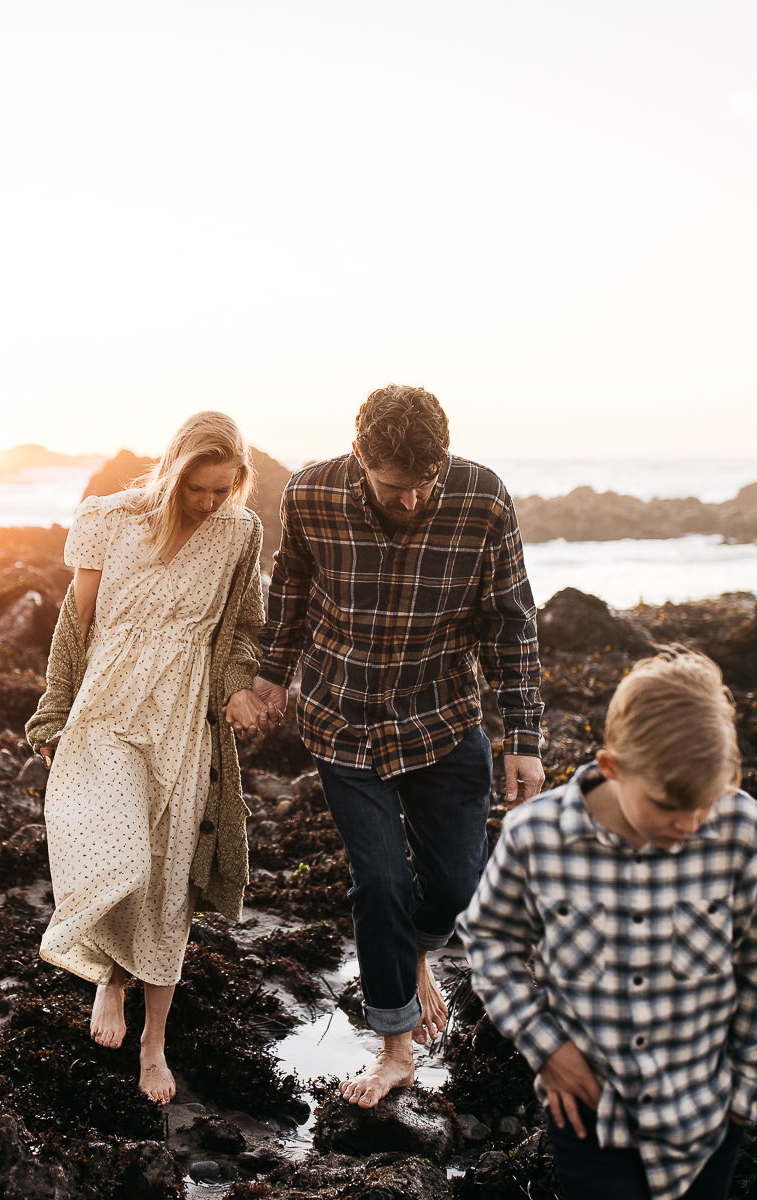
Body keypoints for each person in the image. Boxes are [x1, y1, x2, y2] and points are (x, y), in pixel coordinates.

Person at [250, 383, 545, 1107]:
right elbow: (289, 586)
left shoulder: (481, 497)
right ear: (358, 457)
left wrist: (523, 737)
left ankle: (413, 954)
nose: (412, 500)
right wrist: (269, 678)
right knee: (377, 882)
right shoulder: (311, 493)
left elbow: (511, 621)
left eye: (424, 484)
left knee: (453, 888)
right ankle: (393, 1049)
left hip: (442, 720)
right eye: (394, 486)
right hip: (342, 720)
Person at [458, 648, 757, 1200]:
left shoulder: (745, 829)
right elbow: (489, 943)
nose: (689, 825)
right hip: (588, 1114)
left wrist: (746, 1090)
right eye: (667, 806)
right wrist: (547, 1048)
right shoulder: (536, 835)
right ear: (611, 767)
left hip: (706, 1113)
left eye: (704, 805)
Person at [25, 410, 270, 1105]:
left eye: (223, 489)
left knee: (166, 884)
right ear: (172, 472)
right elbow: (73, 629)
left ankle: (151, 1043)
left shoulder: (239, 533)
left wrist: (234, 692)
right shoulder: (106, 517)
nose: (209, 502)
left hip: (182, 721)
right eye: (198, 488)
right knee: (119, 856)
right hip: (105, 710)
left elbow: (244, 628)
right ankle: (107, 973)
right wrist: (53, 708)